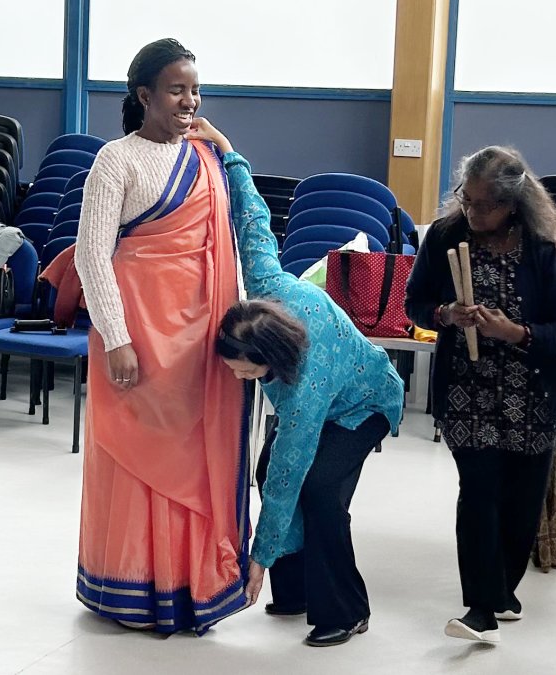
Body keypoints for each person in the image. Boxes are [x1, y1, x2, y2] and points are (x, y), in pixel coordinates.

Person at [186, 118, 404, 648]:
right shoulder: (266, 287)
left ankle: (347, 610)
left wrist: (255, 562)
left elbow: (289, 472)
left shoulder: (304, 382)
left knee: (319, 491)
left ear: (271, 361)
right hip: (331, 394)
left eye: (242, 368)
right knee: (273, 468)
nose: (234, 375)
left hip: (366, 403)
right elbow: (255, 222)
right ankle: (297, 589)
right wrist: (229, 152)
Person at [68, 39, 249, 634]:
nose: (190, 101)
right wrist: (115, 337)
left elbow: (230, 245)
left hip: (200, 338)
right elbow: (93, 255)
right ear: (145, 95)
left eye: (195, 90)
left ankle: (191, 585)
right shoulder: (115, 160)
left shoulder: (207, 160)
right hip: (138, 332)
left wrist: (220, 144)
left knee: (194, 459)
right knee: (135, 457)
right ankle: (130, 587)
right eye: (177, 90)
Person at [405, 146, 556, 643]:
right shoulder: (444, 237)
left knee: (521, 503)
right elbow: (415, 305)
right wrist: (445, 315)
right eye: (467, 199)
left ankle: (504, 589)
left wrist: (517, 333)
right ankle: (481, 608)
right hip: (467, 389)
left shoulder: (543, 250)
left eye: (486, 205)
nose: (473, 212)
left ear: (514, 205)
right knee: (479, 494)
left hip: (531, 395)